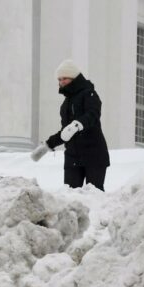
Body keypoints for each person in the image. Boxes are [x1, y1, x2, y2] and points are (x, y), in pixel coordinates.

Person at [30, 60, 110, 191]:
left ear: (74, 78)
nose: (61, 82)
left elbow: (93, 115)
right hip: (72, 156)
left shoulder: (89, 94)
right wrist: (47, 145)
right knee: (69, 197)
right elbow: (65, 132)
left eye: (65, 78)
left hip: (94, 154)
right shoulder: (66, 104)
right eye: (59, 79)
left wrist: (77, 125)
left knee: (95, 195)